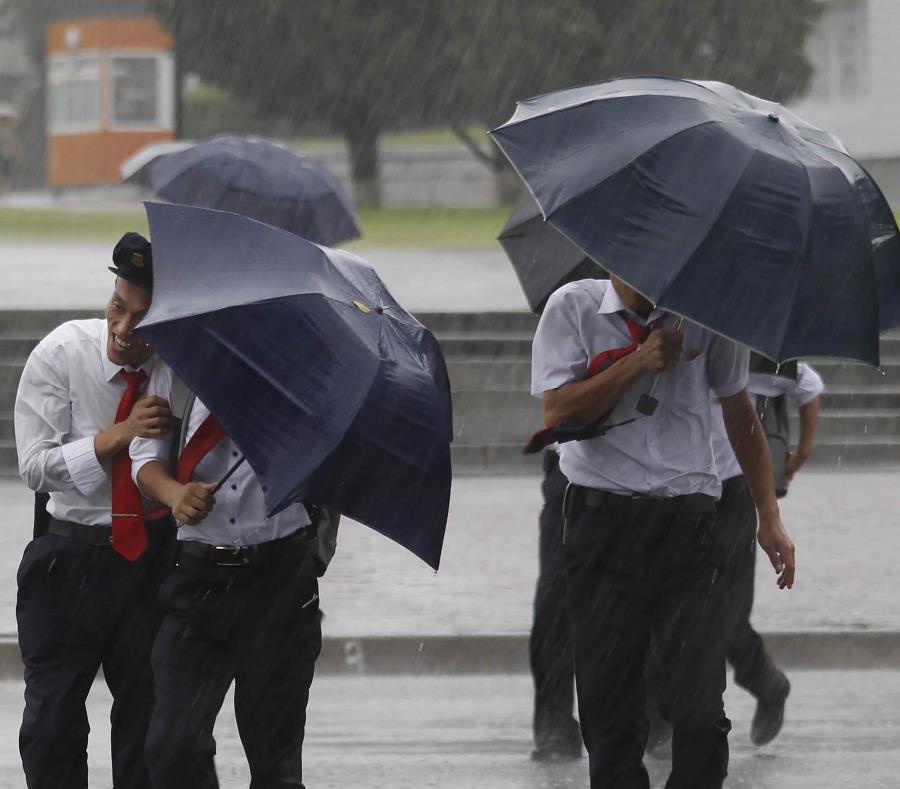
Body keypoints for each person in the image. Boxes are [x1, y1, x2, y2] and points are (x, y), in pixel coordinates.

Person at [532, 275, 796, 789]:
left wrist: (769, 515)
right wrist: (638, 362)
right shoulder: (573, 308)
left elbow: (740, 411)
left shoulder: (709, 312)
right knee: (610, 718)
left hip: (690, 525)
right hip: (601, 526)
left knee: (700, 710)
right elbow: (558, 411)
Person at [14, 233, 174, 789]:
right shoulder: (62, 353)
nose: (124, 331)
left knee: (148, 728)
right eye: (117, 308)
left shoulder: (181, 374)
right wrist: (116, 438)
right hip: (68, 559)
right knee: (51, 727)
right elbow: (34, 465)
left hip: (150, 563)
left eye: (144, 321)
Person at [131, 364, 322, 789]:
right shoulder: (175, 371)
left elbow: (334, 472)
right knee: (172, 745)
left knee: (277, 765)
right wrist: (174, 493)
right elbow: (144, 460)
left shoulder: (307, 376)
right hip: (197, 581)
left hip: (281, 579)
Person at [713, 362, 823, 745]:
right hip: (675, 489)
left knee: (726, 613)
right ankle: (661, 718)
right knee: (668, 605)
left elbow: (809, 386)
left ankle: (766, 683)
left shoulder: (744, 346)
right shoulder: (663, 336)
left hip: (733, 489)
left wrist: (803, 450)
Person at [529, 446, 581, 761]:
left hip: (643, 472)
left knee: (641, 599)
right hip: (570, 464)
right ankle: (556, 726)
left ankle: (656, 720)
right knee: (553, 610)